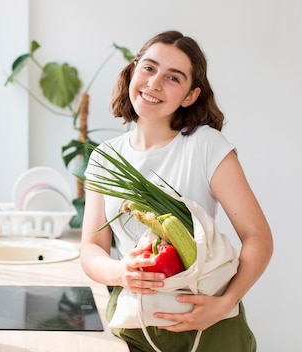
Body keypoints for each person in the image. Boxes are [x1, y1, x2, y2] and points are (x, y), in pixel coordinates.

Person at [80, 30, 273, 351]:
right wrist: (119, 272)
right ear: (133, 71)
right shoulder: (105, 158)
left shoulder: (206, 146)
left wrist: (225, 303)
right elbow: (91, 248)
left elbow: (258, 237)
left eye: (173, 77)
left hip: (209, 330)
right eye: (149, 68)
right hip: (136, 330)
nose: (154, 83)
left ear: (190, 96)